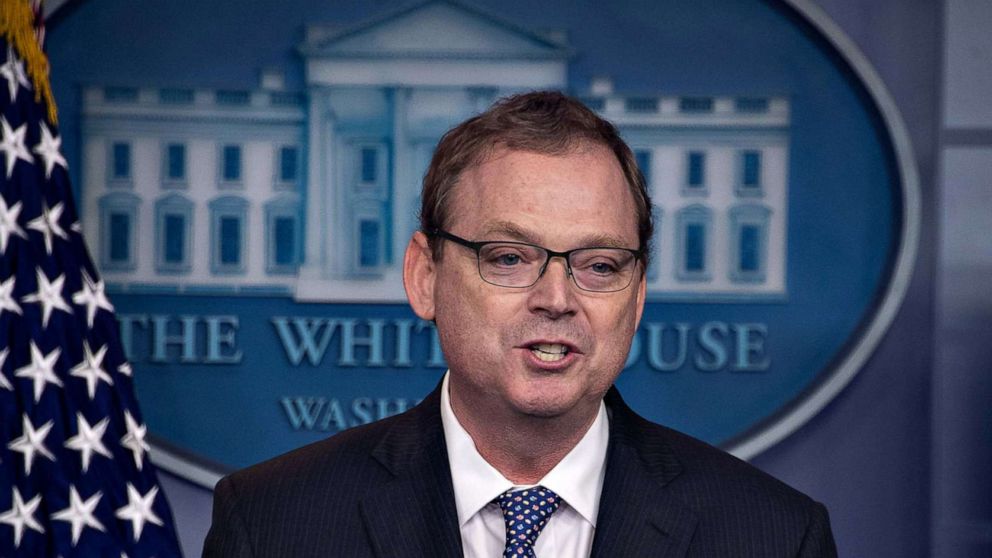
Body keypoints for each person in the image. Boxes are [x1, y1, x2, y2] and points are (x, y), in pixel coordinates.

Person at [202, 91, 837, 557]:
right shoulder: (272, 525)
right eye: (510, 258)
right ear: (426, 277)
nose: (556, 298)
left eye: (598, 264)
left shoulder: (775, 537)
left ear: (638, 296)